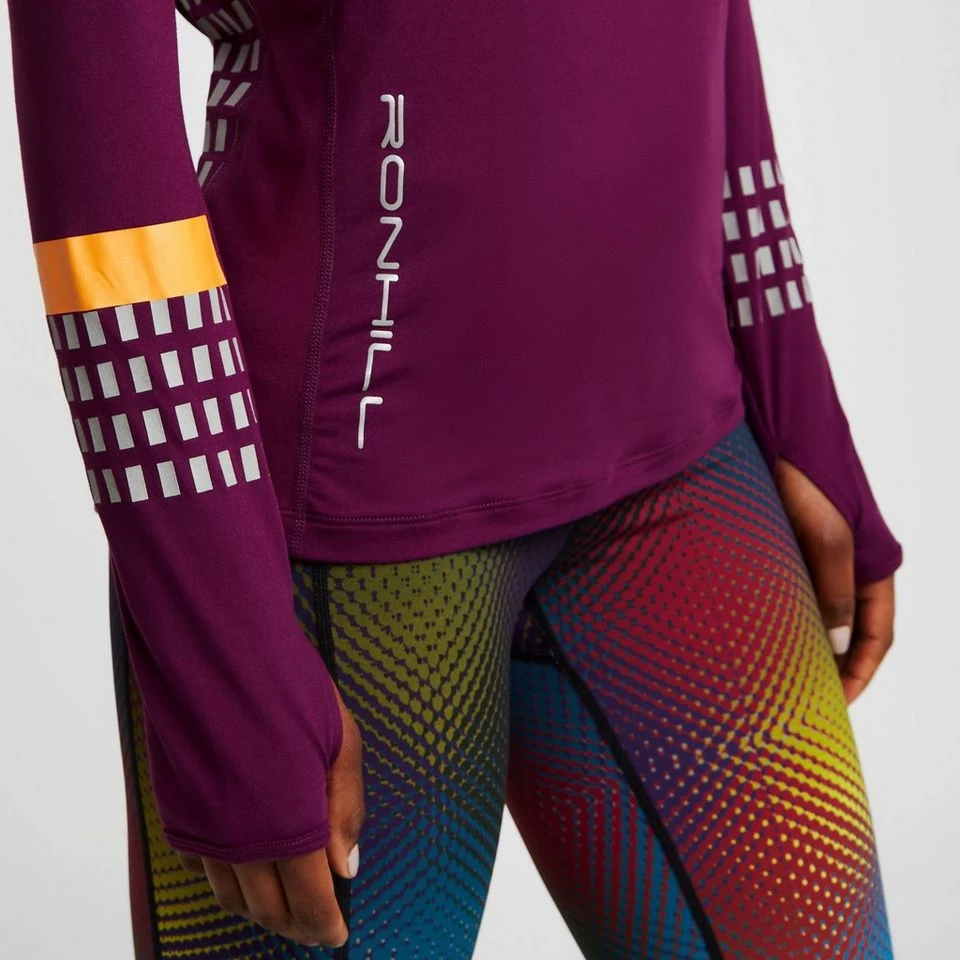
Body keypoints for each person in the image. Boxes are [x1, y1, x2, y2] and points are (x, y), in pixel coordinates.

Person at [5, 0, 903, 957]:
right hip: (341, 548)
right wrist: (223, 659)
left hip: (684, 462)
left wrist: (790, 379)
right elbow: (106, 189)